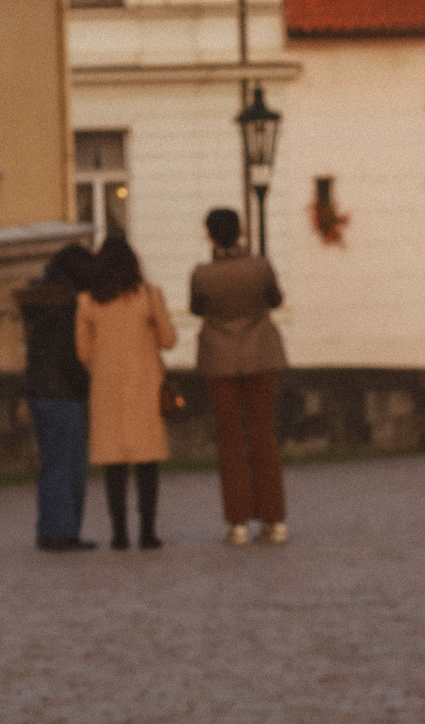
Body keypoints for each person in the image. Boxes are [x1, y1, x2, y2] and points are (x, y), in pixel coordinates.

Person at [191, 207, 289, 547]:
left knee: (230, 440)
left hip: (219, 357)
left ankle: (238, 523)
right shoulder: (260, 267)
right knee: (264, 435)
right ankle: (274, 519)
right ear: (241, 231)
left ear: (210, 235)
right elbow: (275, 299)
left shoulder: (202, 274)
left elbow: (197, 307)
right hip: (260, 353)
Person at [76, 234, 177, 551]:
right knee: (147, 463)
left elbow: (83, 352)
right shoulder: (148, 296)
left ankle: (119, 533)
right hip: (145, 385)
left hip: (107, 389)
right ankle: (148, 531)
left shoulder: (87, 301)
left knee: (114, 464)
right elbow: (168, 340)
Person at [15, 243, 98, 552]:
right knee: (68, 466)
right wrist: (85, 386)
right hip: (61, 392)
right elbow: (70, 356)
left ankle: (50, 528)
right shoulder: (66, 306)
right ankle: (63, 532)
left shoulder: (41, 301)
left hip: (39, 390)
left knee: (52, 465)